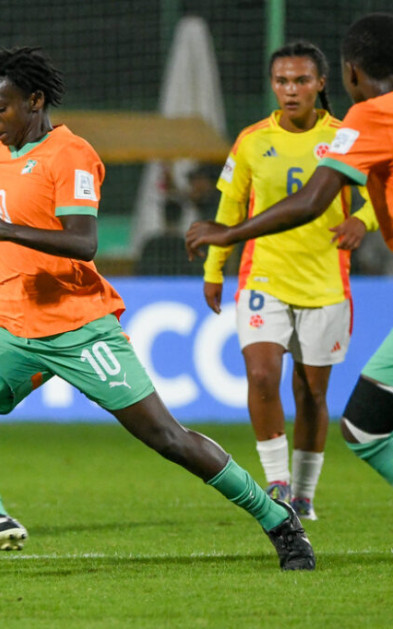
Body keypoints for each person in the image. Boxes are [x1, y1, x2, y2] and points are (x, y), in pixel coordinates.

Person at [0, 46, 315, 570]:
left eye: (2, 107)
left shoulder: (73, 155)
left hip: (79, 329)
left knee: (167, 438)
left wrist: (3, 227)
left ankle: (277, 518)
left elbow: (84, 242)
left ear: (35, 101)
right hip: (11, 326)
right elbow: (2, 182)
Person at [187, 13, 393, 505]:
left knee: (347, 417)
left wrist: (229, 234)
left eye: (302, 79)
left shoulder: (363, 120)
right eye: (282, 80)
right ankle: (281, 485)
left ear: (345, 75)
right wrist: (218, 264)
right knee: (277, 383)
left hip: (324, 282)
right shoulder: (254, 140)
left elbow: (311, 201)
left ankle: (301, 492)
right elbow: (234, 198)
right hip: (266, 277)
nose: (291, 89)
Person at [134, 199, 203, 276]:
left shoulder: (151, 245)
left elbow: (140, 274)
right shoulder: (189, 248)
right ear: (180, 218)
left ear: (164, 217)